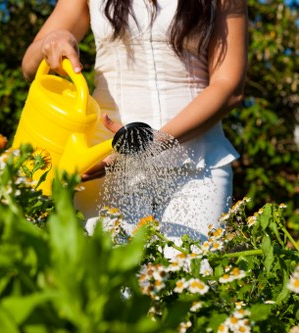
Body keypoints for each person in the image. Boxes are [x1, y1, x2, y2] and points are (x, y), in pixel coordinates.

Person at [21, 0, 248, 241]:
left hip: (197, 165)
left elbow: (229, 86)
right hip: (107, 164)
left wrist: (150, 144)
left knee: (197, 274)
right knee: (115, 276)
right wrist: (53, 39)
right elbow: (29, 64)